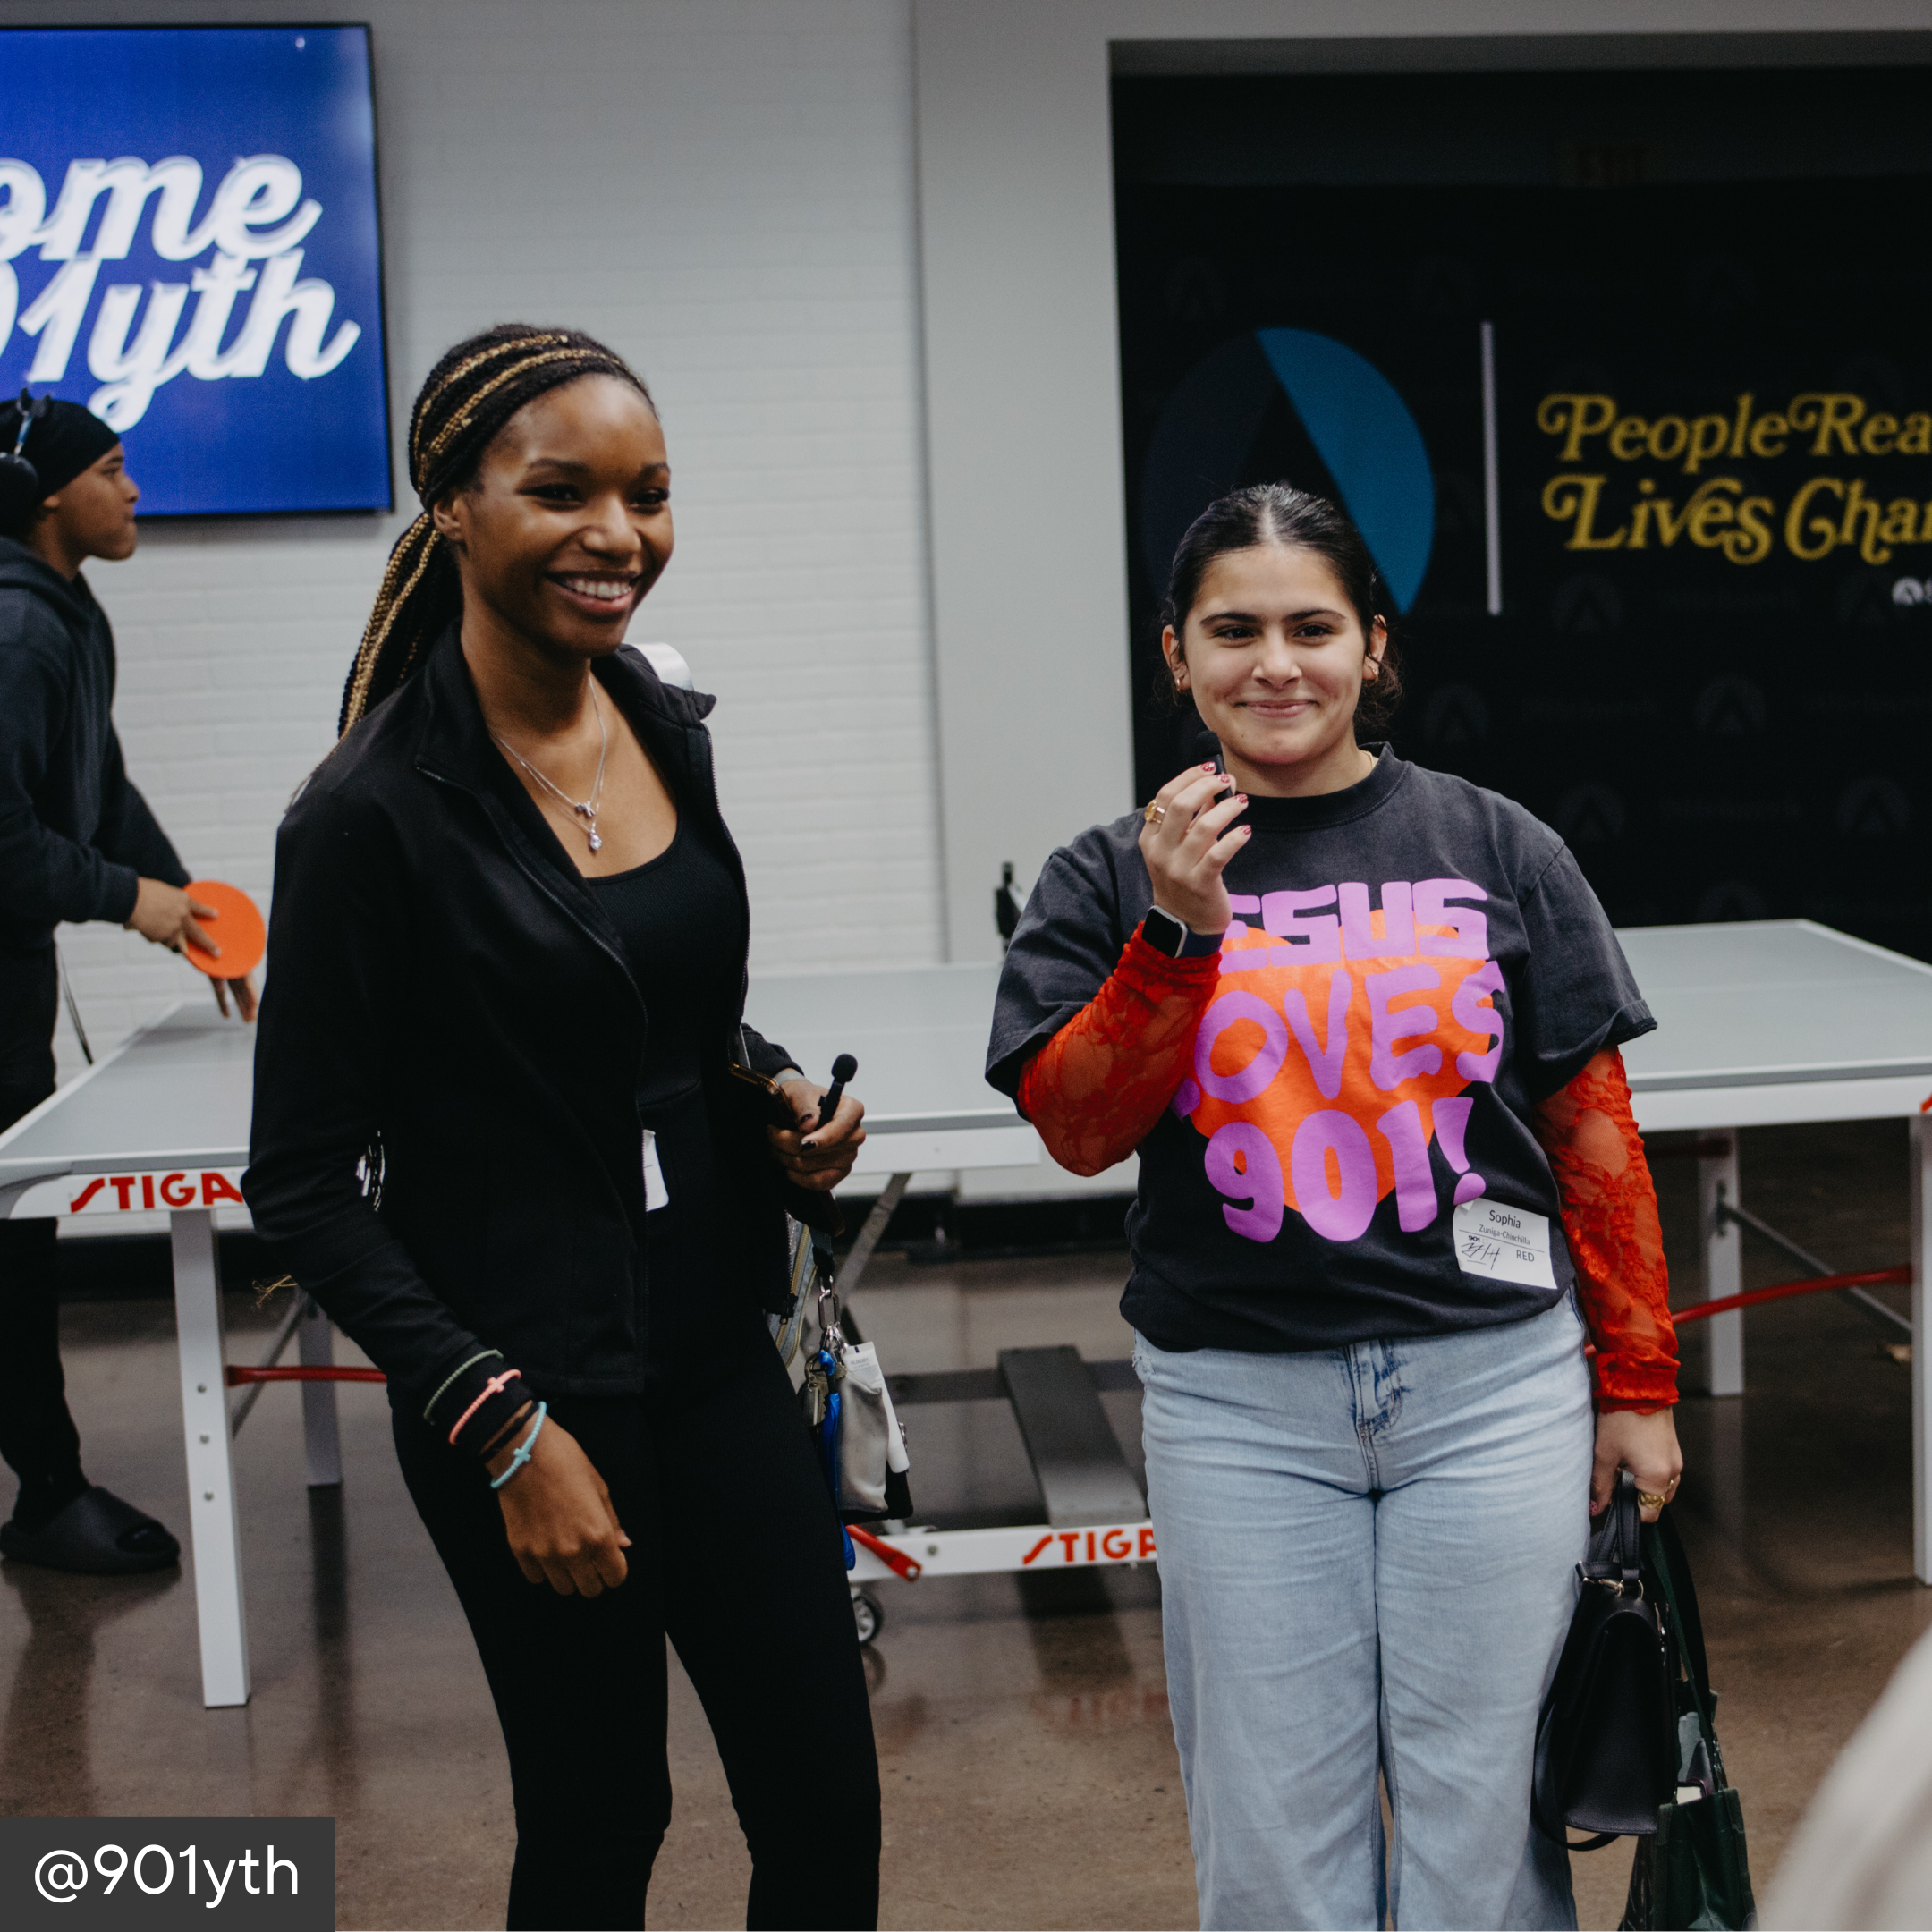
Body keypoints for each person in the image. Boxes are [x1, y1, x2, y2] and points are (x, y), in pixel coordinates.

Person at [243, 325, 880, 1931]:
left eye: (651, 495)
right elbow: (305, 1187)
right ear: (453, 505)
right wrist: (505, 1431)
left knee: (825, 1803)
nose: (621, 535)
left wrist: (774, 1101)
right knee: (603, 1824)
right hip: (524, 1381)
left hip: (715, 1348)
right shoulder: (365, 816)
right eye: (563, 491)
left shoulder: (664, 722)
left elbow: (659, 1010)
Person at [987, 483, 1682, 1930]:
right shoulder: (1110, 873)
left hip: (1491, 1392)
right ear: (1176, 657)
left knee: (1483, 1831)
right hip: (1240, 1407)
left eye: (1313, 627)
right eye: (1231, 630)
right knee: (1275, 1843)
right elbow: (1076, 1126)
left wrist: (1640, 1379)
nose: (1275, 664)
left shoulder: (1495, 844)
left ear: (1374, 646)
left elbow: (1592, 1131)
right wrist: (1176, 933)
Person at [0, 394, 256, 1576]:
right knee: (10, 1246)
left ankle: (44, 1486)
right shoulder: (17, 632)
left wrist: (185, 911)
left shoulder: (66, 614)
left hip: (13, 980)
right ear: (52, 494)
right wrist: (130, 899)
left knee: (17, 1241)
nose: (135, 489)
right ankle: (49, 1495)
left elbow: (95, 794)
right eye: (112, 468)